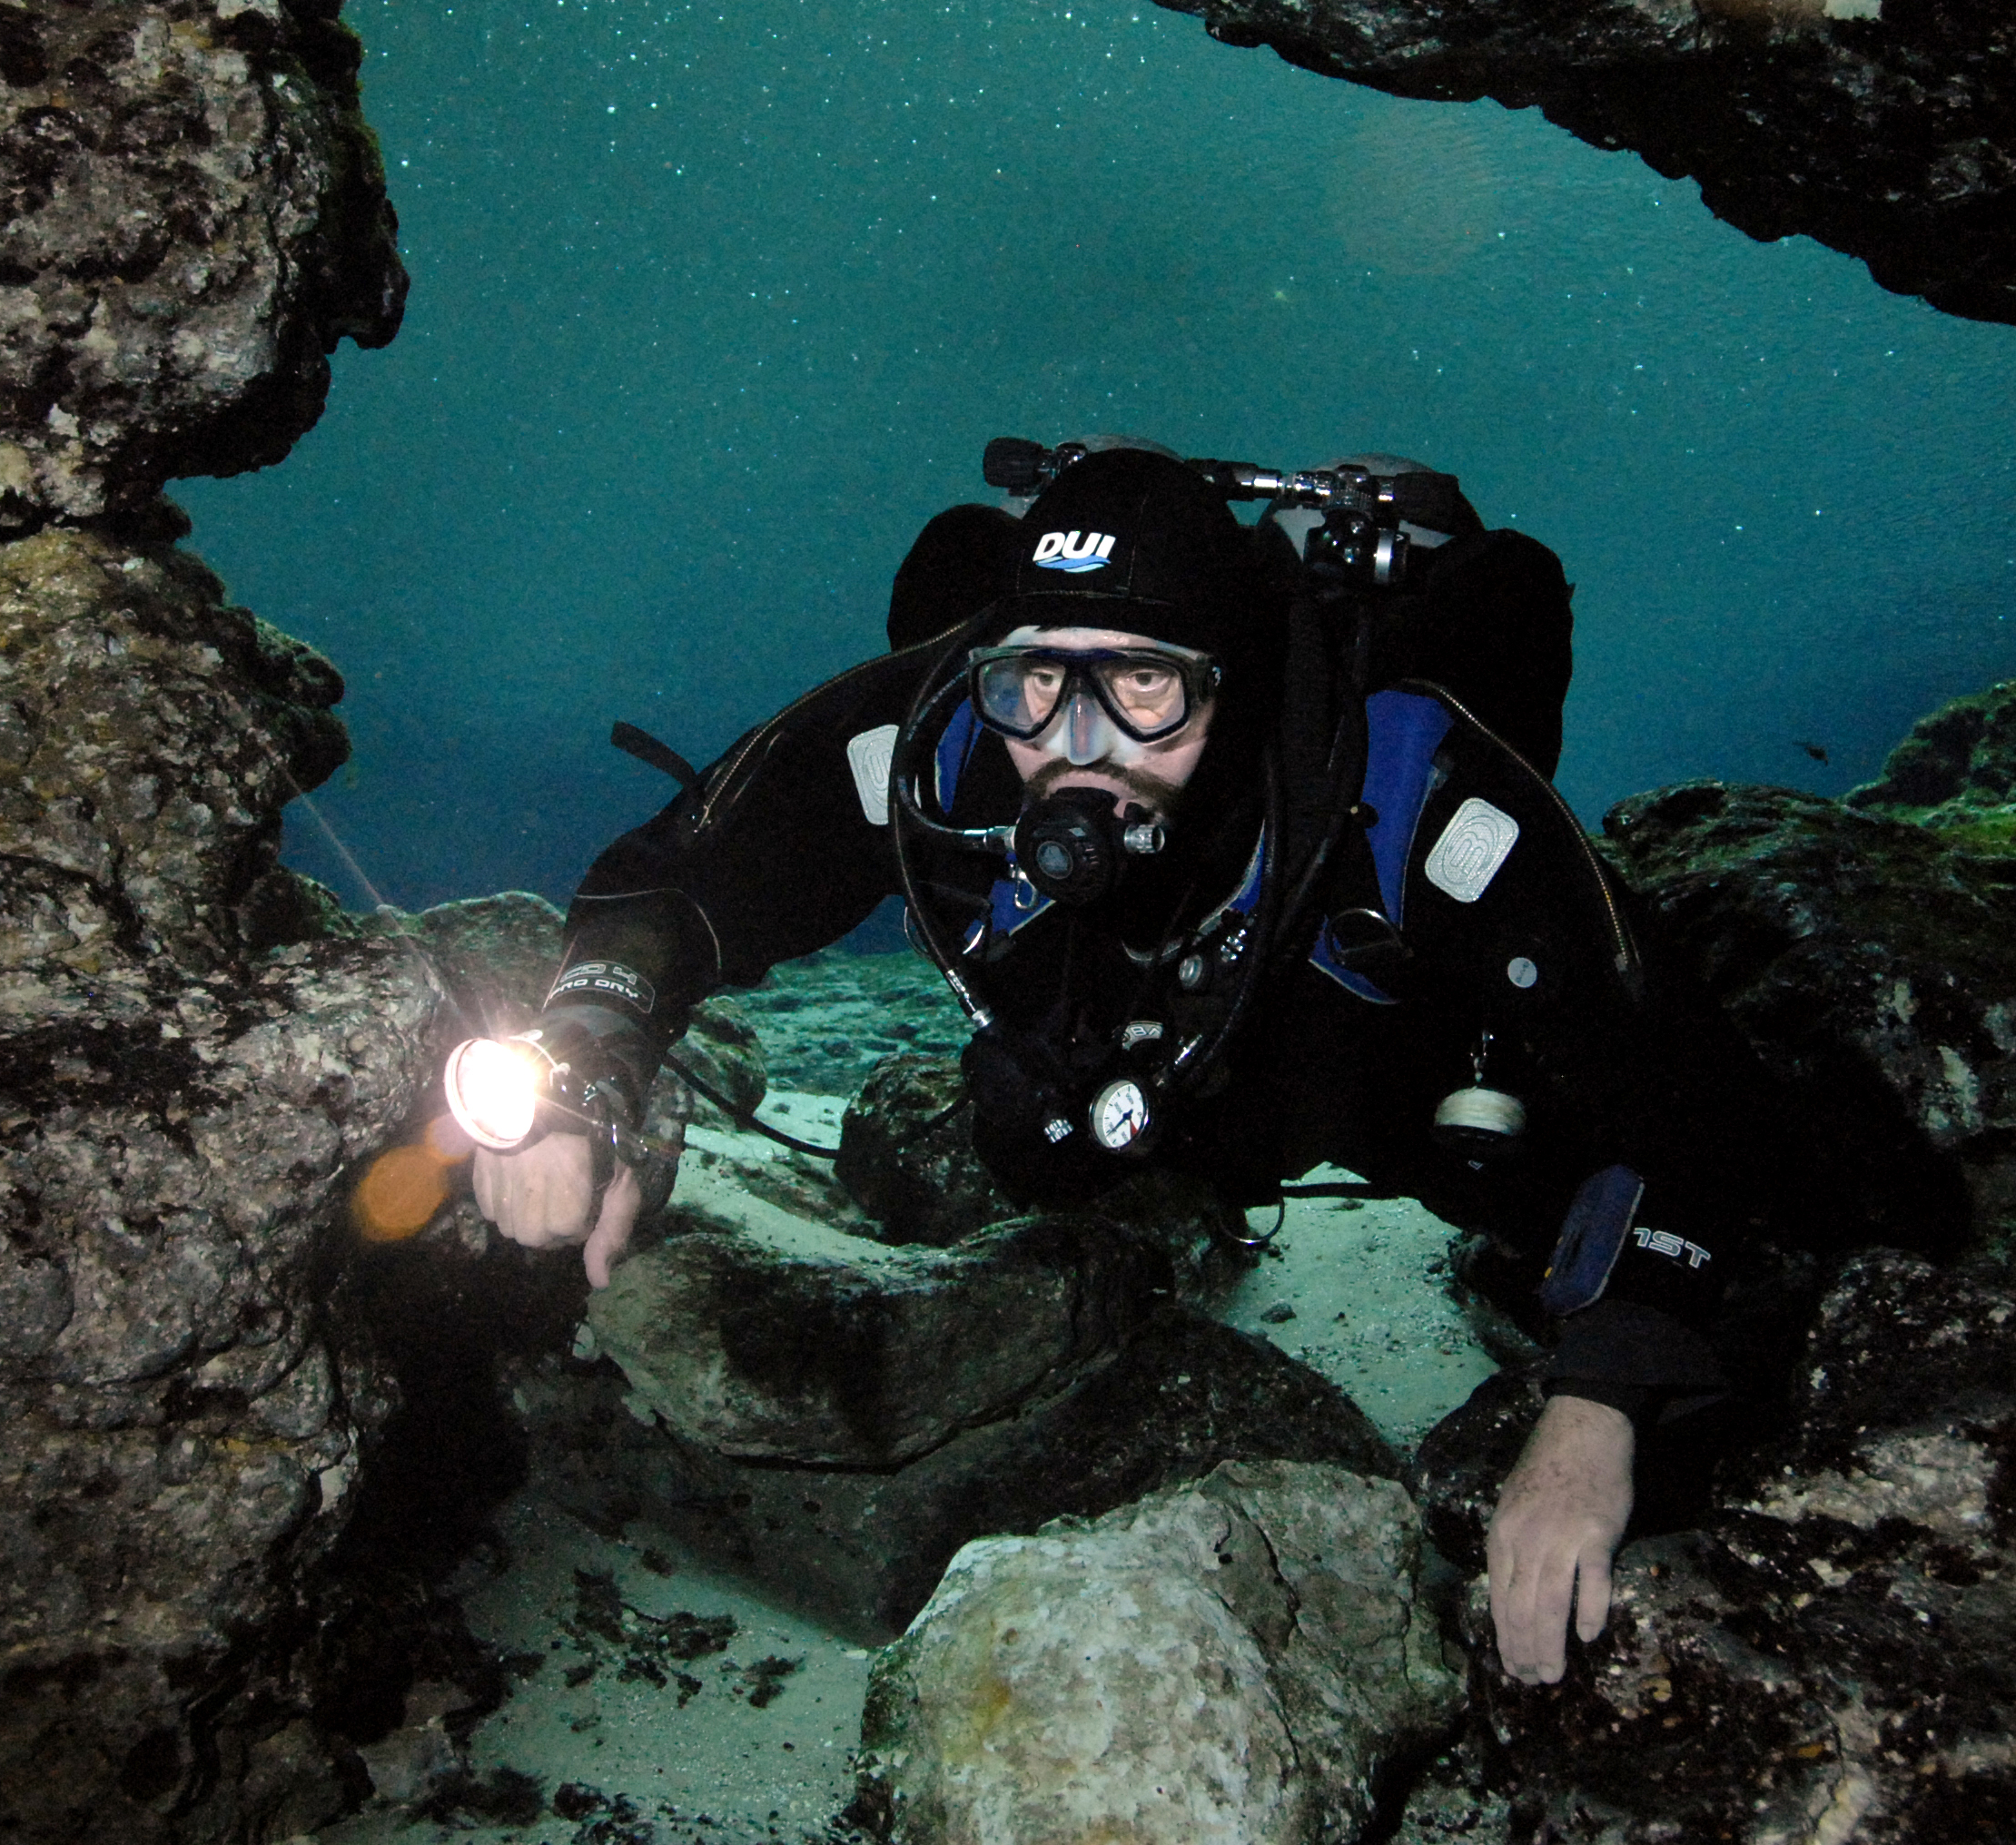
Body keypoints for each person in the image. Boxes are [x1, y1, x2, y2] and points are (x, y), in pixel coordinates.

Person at [468, 442, 1785, 1685]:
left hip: (1359, 1070)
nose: (1075, 744)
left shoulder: (1414, 790)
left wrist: (1601, 1400)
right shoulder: (940, 737)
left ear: (1236, 682)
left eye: (1145, 686)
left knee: (1635, 1190)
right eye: (1037, 681)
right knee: (1013, 1139)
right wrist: (588, 1068)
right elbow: (669, 887)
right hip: (1085, 1069)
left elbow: (1689, 1090)